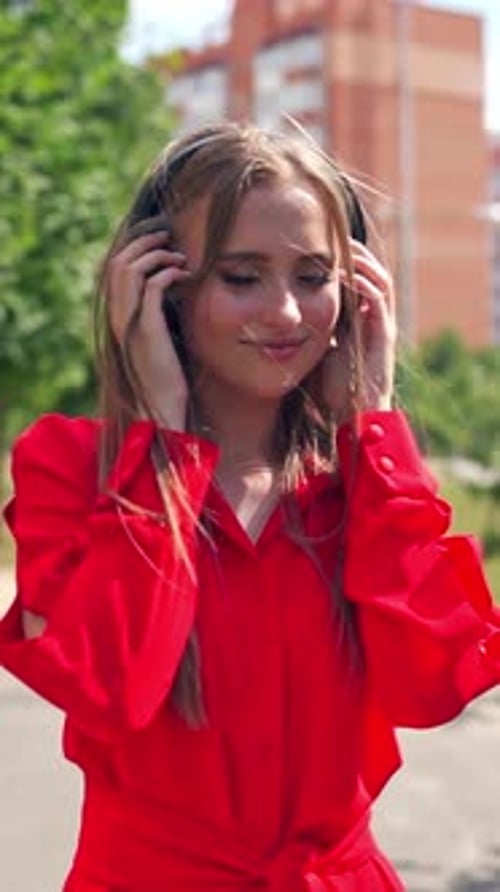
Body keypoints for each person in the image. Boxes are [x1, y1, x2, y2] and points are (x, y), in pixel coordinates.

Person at [1, 121, 499, 892]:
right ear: (161, 285)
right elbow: (109, 688)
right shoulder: (70, 468)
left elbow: (432, 688)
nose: (288, 314)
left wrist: (375, 422)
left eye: (312, 276)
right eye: (242, 277)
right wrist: (163, 444)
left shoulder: (365, 485)